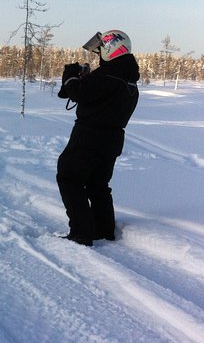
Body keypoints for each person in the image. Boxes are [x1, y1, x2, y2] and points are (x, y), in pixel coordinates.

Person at [56, 30, 140, 246]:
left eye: (101, 50)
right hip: (112, 140)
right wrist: (80, 80)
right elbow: (85, 93)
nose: (99, 55)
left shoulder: (107, 76)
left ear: (111, 49)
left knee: (69, 178)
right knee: (97, 183)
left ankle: (81, 232)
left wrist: (72, 76)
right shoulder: (128, 79)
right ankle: (104, 229)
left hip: (89, 136)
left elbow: (77, 93)